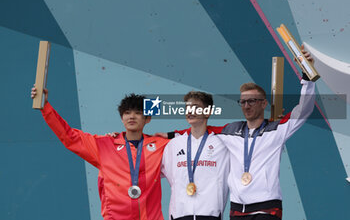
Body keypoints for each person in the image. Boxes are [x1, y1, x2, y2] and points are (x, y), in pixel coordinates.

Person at [164, 46, 316, 220]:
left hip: (266, 208)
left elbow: (303, 110)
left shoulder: (276, 129)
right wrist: (170, 135)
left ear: (264, 103)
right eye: (243, 102)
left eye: (251, 101)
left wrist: (307, 79)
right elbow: (202, 129)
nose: (246, 106)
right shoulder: (230, 131)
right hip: (237, 211)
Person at [31, 87, 169, 220]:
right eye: (127, 113)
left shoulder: (160, 146)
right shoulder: (104, 145)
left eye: (138, 113)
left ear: (147, 119)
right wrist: (45, 107)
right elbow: (69, 136)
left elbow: (190, 138)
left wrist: (171, 134)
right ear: (121, 118)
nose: (132, 116)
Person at [161, 91, 230, 220]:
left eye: (196, 107)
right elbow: (149, 170)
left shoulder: (223, 143)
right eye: (187, 108)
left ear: (208, 112)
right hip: (179, 215)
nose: (190, 111)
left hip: (211, 215)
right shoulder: (173, 145)